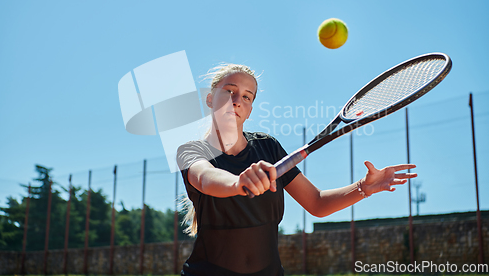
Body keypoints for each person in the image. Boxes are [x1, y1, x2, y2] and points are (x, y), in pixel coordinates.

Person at [176, 63, 416, 276]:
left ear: (249, 111)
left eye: (247, 97)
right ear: (209, 99)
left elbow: (317, 203)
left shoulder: (267, 147)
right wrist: (238, 183)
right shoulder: (191, 152)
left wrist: (364, 187)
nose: (237, 100)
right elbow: (206, 178)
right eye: (229, 91)